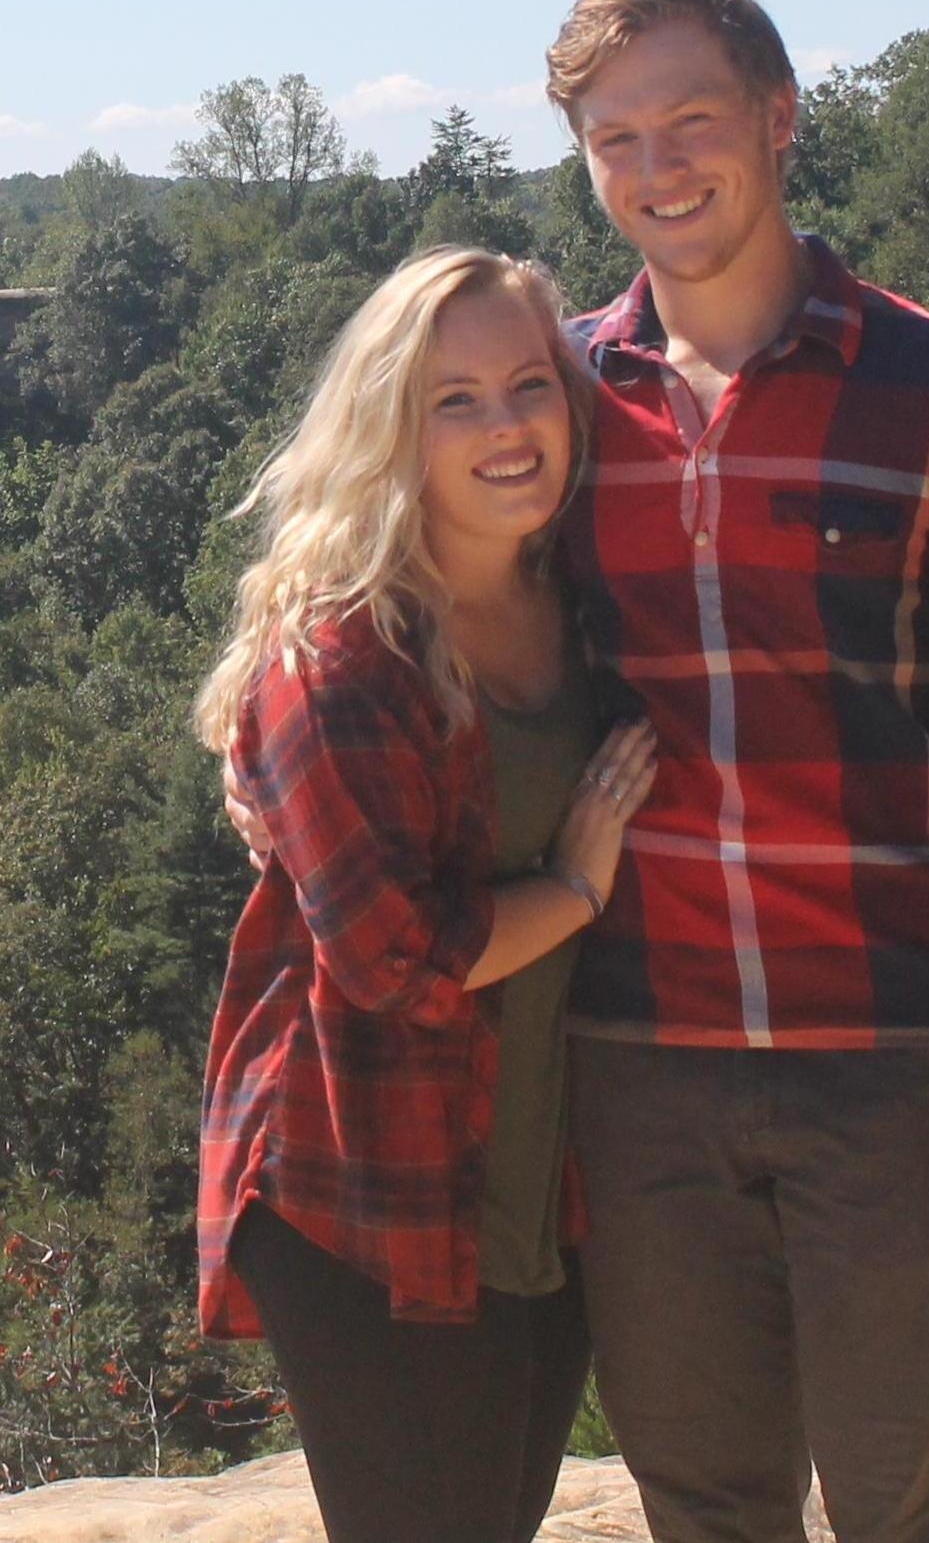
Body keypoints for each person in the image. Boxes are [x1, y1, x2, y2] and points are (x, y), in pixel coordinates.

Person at [540, 0, 929, 1543]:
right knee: (703, 1504)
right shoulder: (563, 408)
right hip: (637, 1054)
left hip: (900, 1063)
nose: (655, 170)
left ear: (779, 122)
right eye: (612, 139)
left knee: (914, 1510)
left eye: (690, 121)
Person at [196, 245, 659, 1543]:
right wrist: (573, 878)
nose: (503, 426)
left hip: (533, 1185)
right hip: (371, 1191)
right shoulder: (338, 652)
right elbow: (392, 959)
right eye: (452, 398)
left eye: (528, 384)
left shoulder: (578, 595)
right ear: (387, 424)